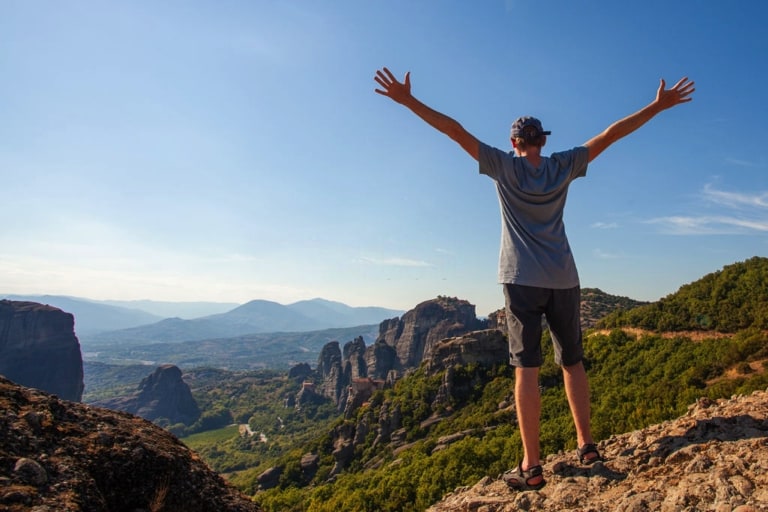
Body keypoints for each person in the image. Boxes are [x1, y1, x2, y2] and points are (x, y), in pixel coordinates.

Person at [374, 67, 694, 490]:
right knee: (573, 362)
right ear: (543, 140)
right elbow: (612, 134)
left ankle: (532, 465)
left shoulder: (503, 167)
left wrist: (408, 101)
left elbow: (454, 131)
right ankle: (587, 444)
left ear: (514, 143)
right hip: (564, 277)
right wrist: (657, 106)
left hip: (520, 280)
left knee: (526, 368)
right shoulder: (565, 165)